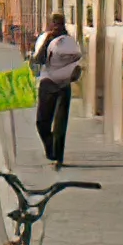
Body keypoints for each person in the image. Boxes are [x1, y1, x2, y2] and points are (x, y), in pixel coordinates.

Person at [34, 13, 82, 170]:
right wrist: (48, 41)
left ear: (63, 25)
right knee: (42, 122)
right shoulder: (44, 39)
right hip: (47, 83)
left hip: (62, 85)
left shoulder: (69, 42)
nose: (56, 26)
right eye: (54, 23)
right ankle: (51, 149)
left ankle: (58, 158)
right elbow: (39, 59)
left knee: (60, 124)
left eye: (59, 24)